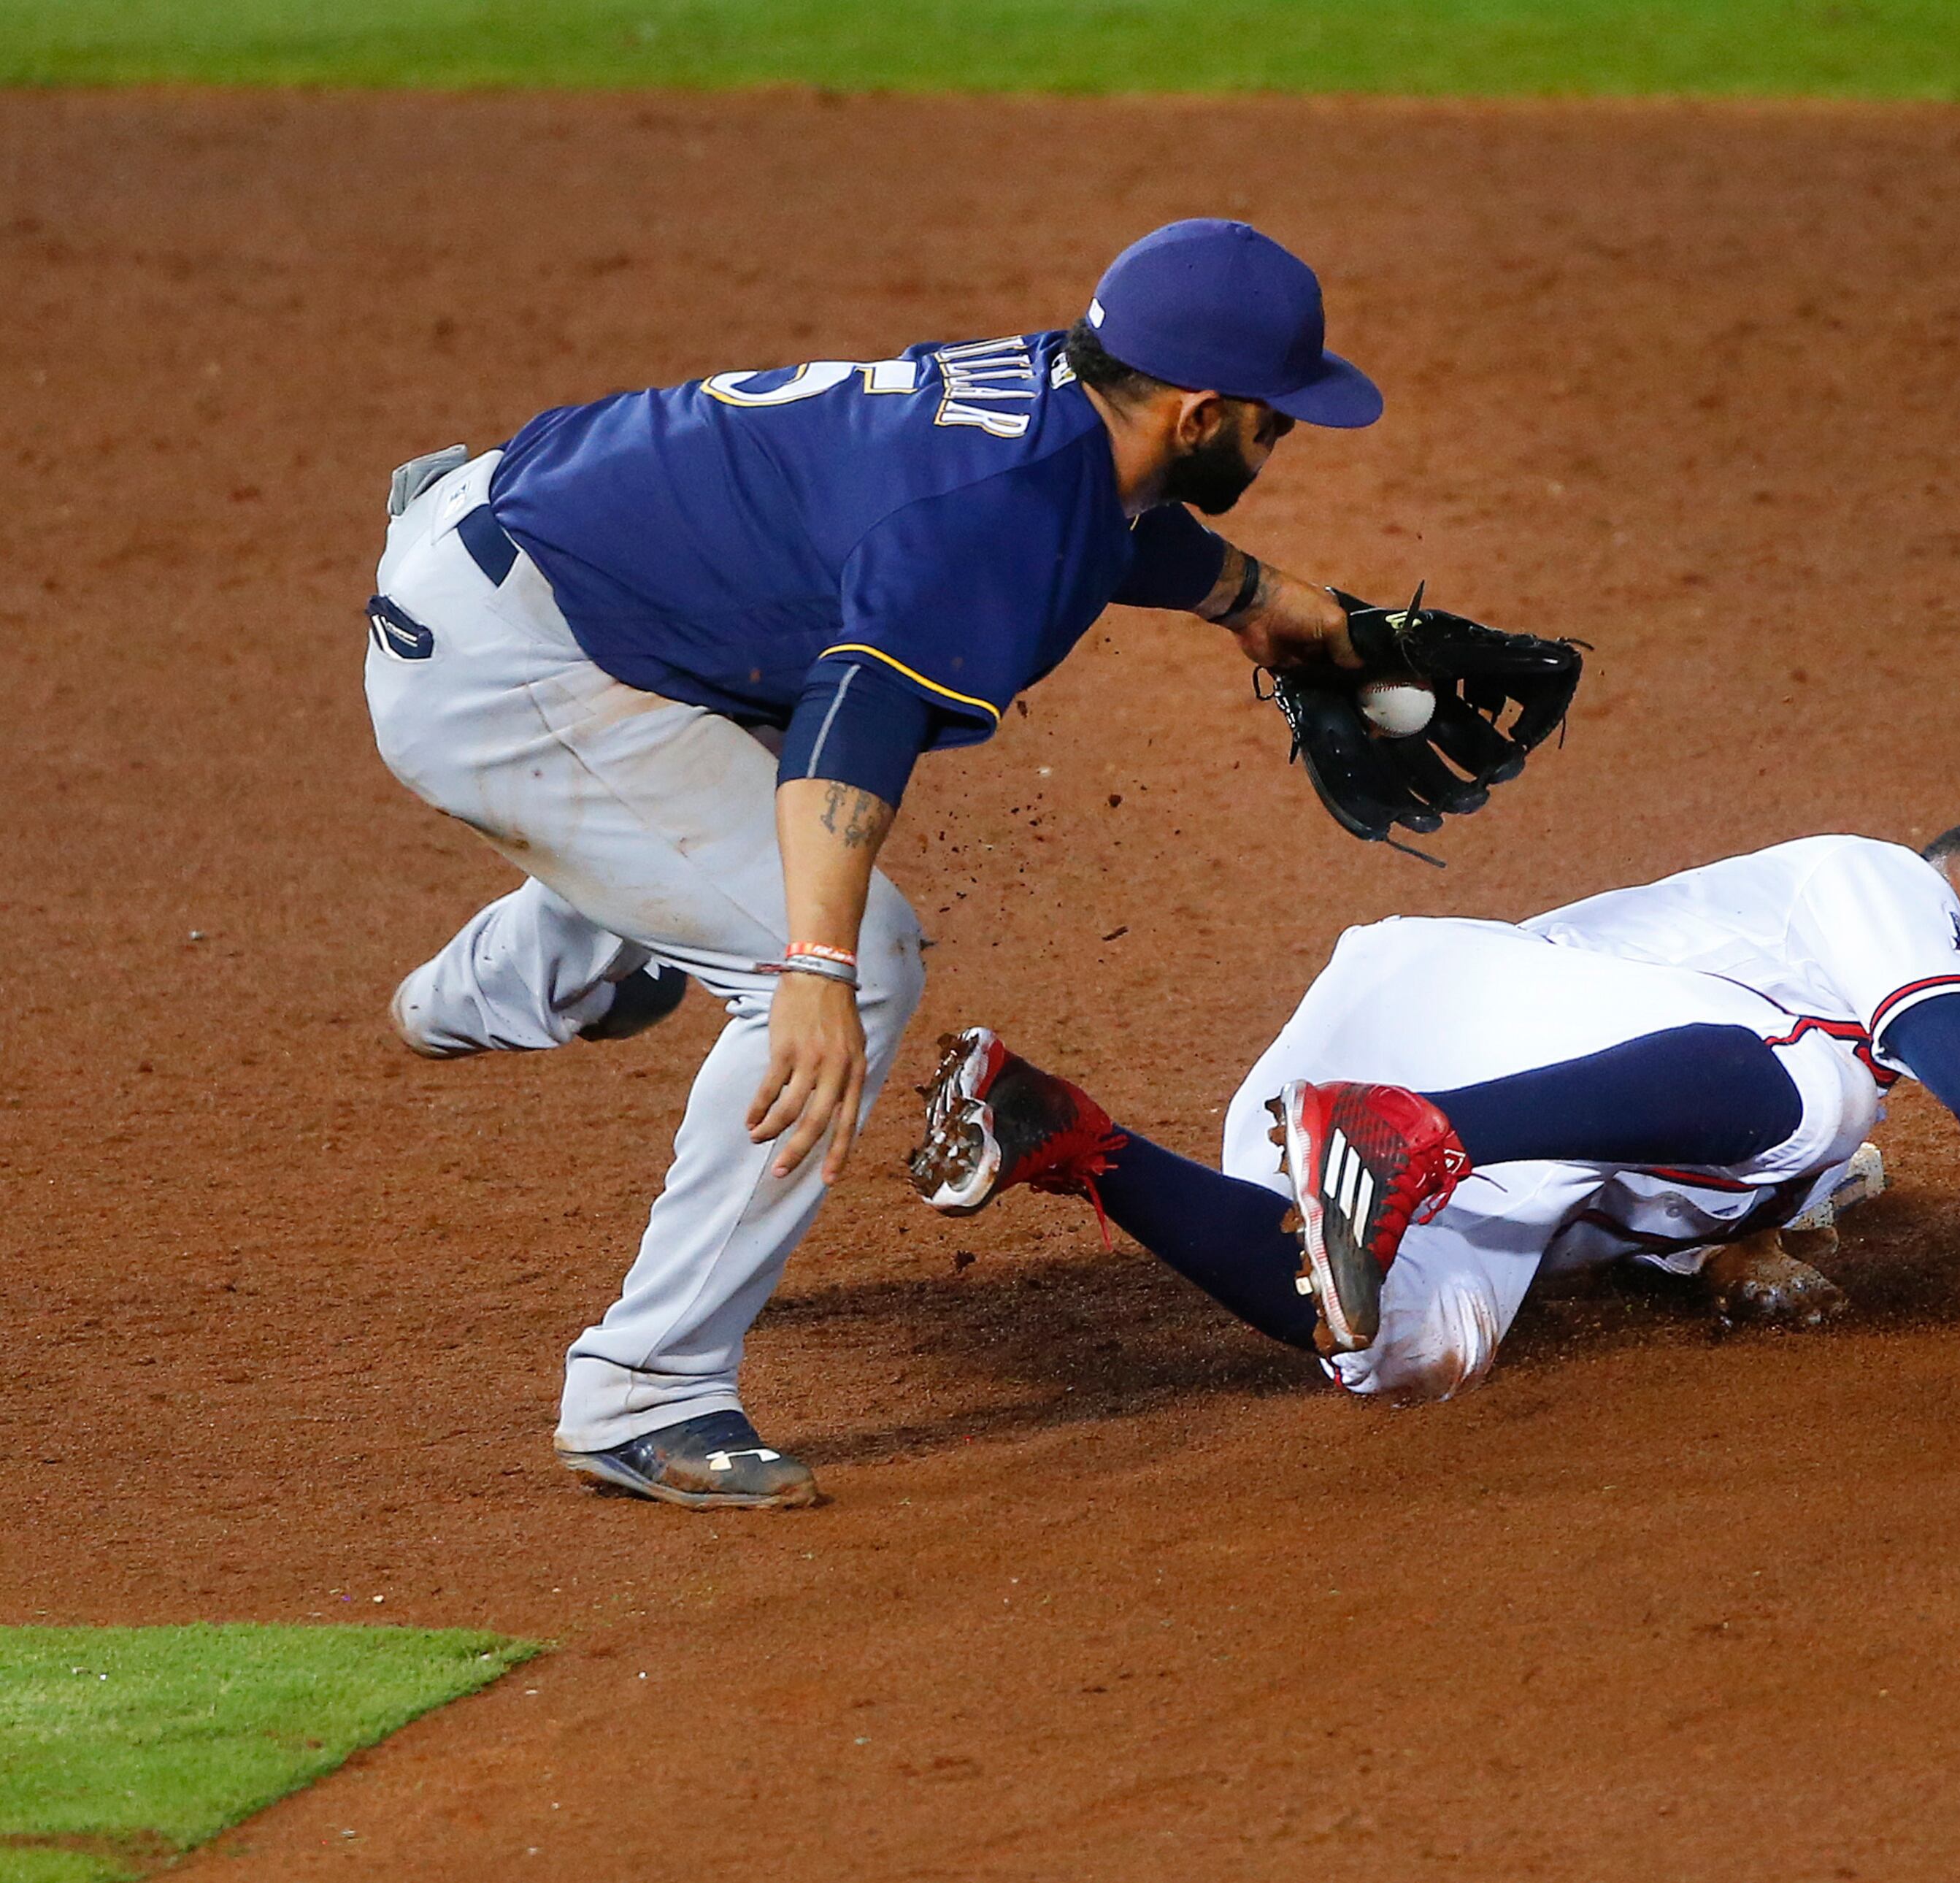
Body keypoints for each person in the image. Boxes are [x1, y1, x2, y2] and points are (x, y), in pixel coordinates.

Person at [364, 220, 1548, 1508]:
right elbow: (845, 733)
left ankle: (518, 982)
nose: (1287, 440)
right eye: (1278, 421)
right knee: (855, 957)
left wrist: (1271, 605)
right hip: (511, 671)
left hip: (548, 556)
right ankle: (646, 1390)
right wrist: (809, 968)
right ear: (1201, 413)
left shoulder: (1063, 403)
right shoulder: (992, 514)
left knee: (726, 842)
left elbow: (1100, 526)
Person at [915, 824, 1960, 1403]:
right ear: (1951, 880)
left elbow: (1690, 1189)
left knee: (1405, 1352)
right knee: (1822, 1096)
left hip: (1367, 1081)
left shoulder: (1814, 1049)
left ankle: (1067, 1136)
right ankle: (1411, 1135)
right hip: (1490, 1022)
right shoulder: (1875, 883)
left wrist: (1744, 1256)